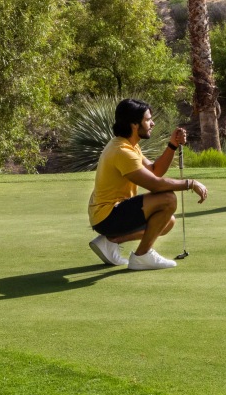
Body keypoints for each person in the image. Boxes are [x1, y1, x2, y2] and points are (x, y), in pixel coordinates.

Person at [87, 98, 208, 271]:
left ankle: (111, 241)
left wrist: (172, 145)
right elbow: (156, 185)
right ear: (135, 124)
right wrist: (190, 183)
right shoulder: (122, 151)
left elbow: (154, 170)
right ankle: (142, 256)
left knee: (168, 222)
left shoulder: (128, 145)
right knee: (167, 199)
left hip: (108, 215)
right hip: (107, 216)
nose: (152, 123)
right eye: (147, 119)